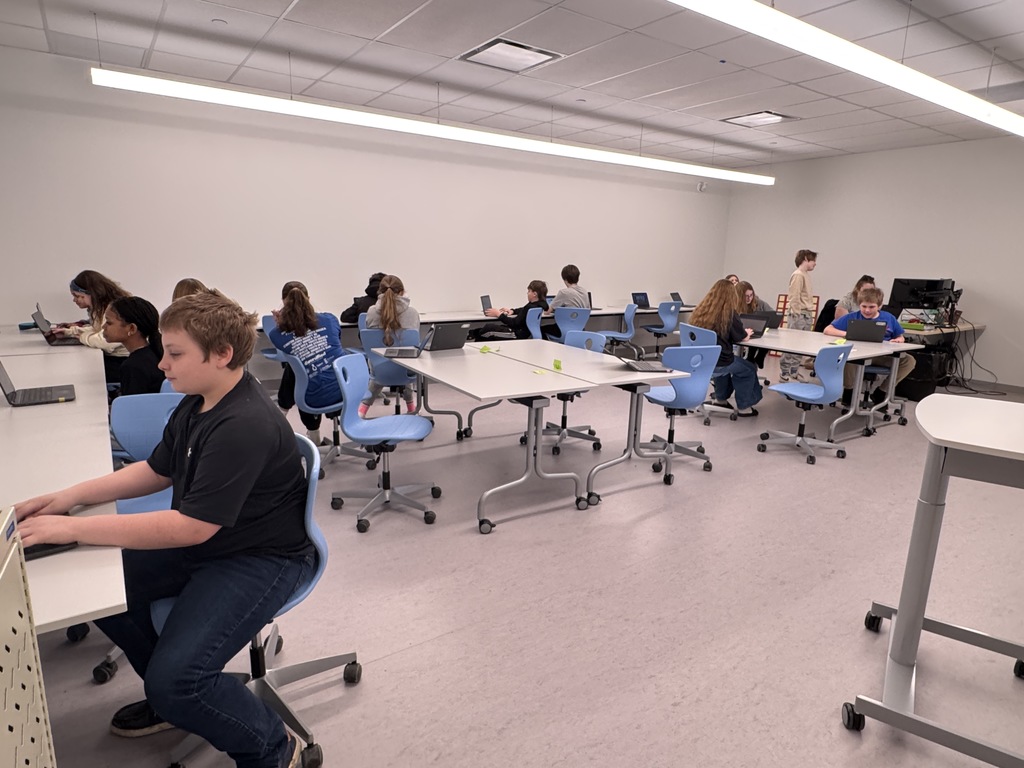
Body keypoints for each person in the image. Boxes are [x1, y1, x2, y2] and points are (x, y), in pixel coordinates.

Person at [16, 290, 313, 768]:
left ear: (222, 355)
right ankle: (179, 702)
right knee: (104, 595)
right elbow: (157, 470)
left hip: (262, 558)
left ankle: (274, 749)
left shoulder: (242, 423)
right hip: (213, 540)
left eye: (175, 354)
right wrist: (68, 498)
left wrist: (75, 530)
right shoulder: (199, 400)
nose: (163, 365)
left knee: (178, 680)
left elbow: (190, 528)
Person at [268, 282, 346, 444]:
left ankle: (306, 431)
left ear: (283, 302)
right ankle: (288, 416)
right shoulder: (330, 319)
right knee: (300, 368)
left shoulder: (277, 334)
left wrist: (281, 325)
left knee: (296, 369)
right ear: (308, 299)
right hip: (346, 390)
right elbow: (334, 343)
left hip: (313, 399)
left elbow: (286, 342)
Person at [824, 286, 915, 406]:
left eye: (871, 307)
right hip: (858, 354)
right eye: (864, 306)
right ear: (859, 305)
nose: (867, 310)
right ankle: (849, 390)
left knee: (909, 361)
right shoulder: (853, 317)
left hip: (882, 356)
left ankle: (882, 391)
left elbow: (900, 336)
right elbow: (828, 329)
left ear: (880, 306)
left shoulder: (888, 318)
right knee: (848, 358)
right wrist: (847, 333)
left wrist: (898, 340)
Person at [689, 279, 762, 416]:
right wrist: (746, 333)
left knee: (721, 360)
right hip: (719, 362)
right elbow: (740, 337)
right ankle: (744, 407)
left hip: (699, 360)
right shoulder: (729, 314)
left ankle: (720, 399)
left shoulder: (701, 310)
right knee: (748, 369)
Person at [54, 270, 130, 383]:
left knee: (84, 373)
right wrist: (69, 332)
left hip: (123, 361)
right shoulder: (99, 308)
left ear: (93, 294)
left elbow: (105, 342)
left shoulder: (116, 310)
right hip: (114, 357)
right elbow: (97, 329)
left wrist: (81, 337)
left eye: (78, 296)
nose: (75, 300)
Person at [361, 274, 420, 417]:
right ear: (402, 292)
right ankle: (412, 409)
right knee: (405, 360)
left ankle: (361, 411)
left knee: (381, 368)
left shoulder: (371, 312)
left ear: (380, 292)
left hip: (379, 369)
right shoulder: (412, 313)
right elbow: (414, 344)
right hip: (406, 369)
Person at [103, 296, 165, 397]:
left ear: (131, 328)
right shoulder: (154, 353)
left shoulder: (133, 367)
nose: (103, 327)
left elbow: (132, 408)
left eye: (109, 322)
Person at [778, 249, 817, 382]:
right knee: (791, 344)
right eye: (813, 260)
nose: (815, 264)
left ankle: (794, 371)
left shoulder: (806, 275)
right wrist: (796, 314)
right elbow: (794, 296)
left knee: (800, 346)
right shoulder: (798, 275)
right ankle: (784, 372)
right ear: (805, 259)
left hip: (806, 314)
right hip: (799, 314)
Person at [472, 280, 548, 342]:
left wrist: (499, 315)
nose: (527, 293)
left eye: (529, 291)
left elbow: (514, 323)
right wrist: (513, 311)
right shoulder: (538, 306)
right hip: (522, 332)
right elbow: (523, 309)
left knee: (487, 329)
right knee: (481, 330)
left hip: (516, 334)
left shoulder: (530, 307)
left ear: (534, 294)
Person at [542, 264, 589, 339]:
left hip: (563, 331)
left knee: (541, 329)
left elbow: (547, 311)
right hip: (580, 330)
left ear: (565, 279)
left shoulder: (563, 293)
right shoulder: (584, 292)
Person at [736, 281, 773, 370]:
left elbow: (772, 313)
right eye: (746, 296)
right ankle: (750, 358)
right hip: (741, 331)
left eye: (751, 295)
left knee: (765, 337)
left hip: (755, 330)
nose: (749, 298)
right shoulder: (734, 304)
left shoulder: (758, 302)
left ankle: (758, 357)